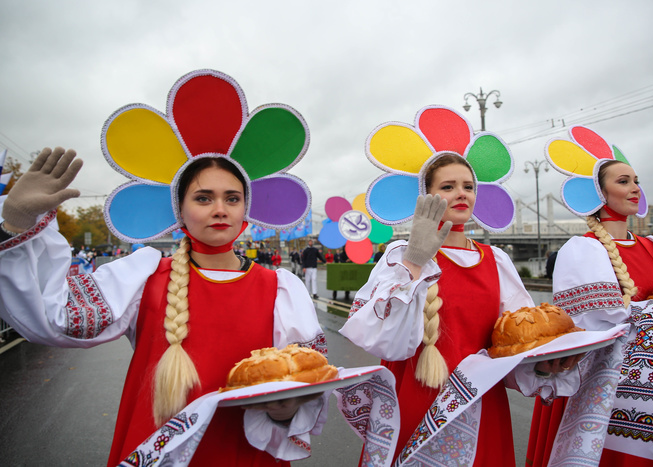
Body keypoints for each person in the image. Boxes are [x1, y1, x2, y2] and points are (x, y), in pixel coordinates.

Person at [0, 70, 328, 466]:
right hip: (159, 450)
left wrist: (286, 410)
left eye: (232, 198)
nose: (220, 209)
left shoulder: (281, 288)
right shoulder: (144, 276)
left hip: (246, 450)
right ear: (181, 209)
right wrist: (16, 226)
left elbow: (304, 379)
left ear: (246, 209)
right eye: (204, 198)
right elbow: (56, 317)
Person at [341, 134, 581, 464]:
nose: (461, 194)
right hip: (417, 398)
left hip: (479, 402)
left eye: (468, 186)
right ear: (427, 197)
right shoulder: (400, 255)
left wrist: (544, 363)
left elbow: (519, 339)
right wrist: (415, 258)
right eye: (448, 186)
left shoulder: (496, 260)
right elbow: (377, 336)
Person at [527, 126, 653, 466]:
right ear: (599, 193)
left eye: (636, 180)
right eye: (623, 181)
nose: (635, 188)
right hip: (607, 383)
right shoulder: (583, 250)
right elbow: (589, 326)